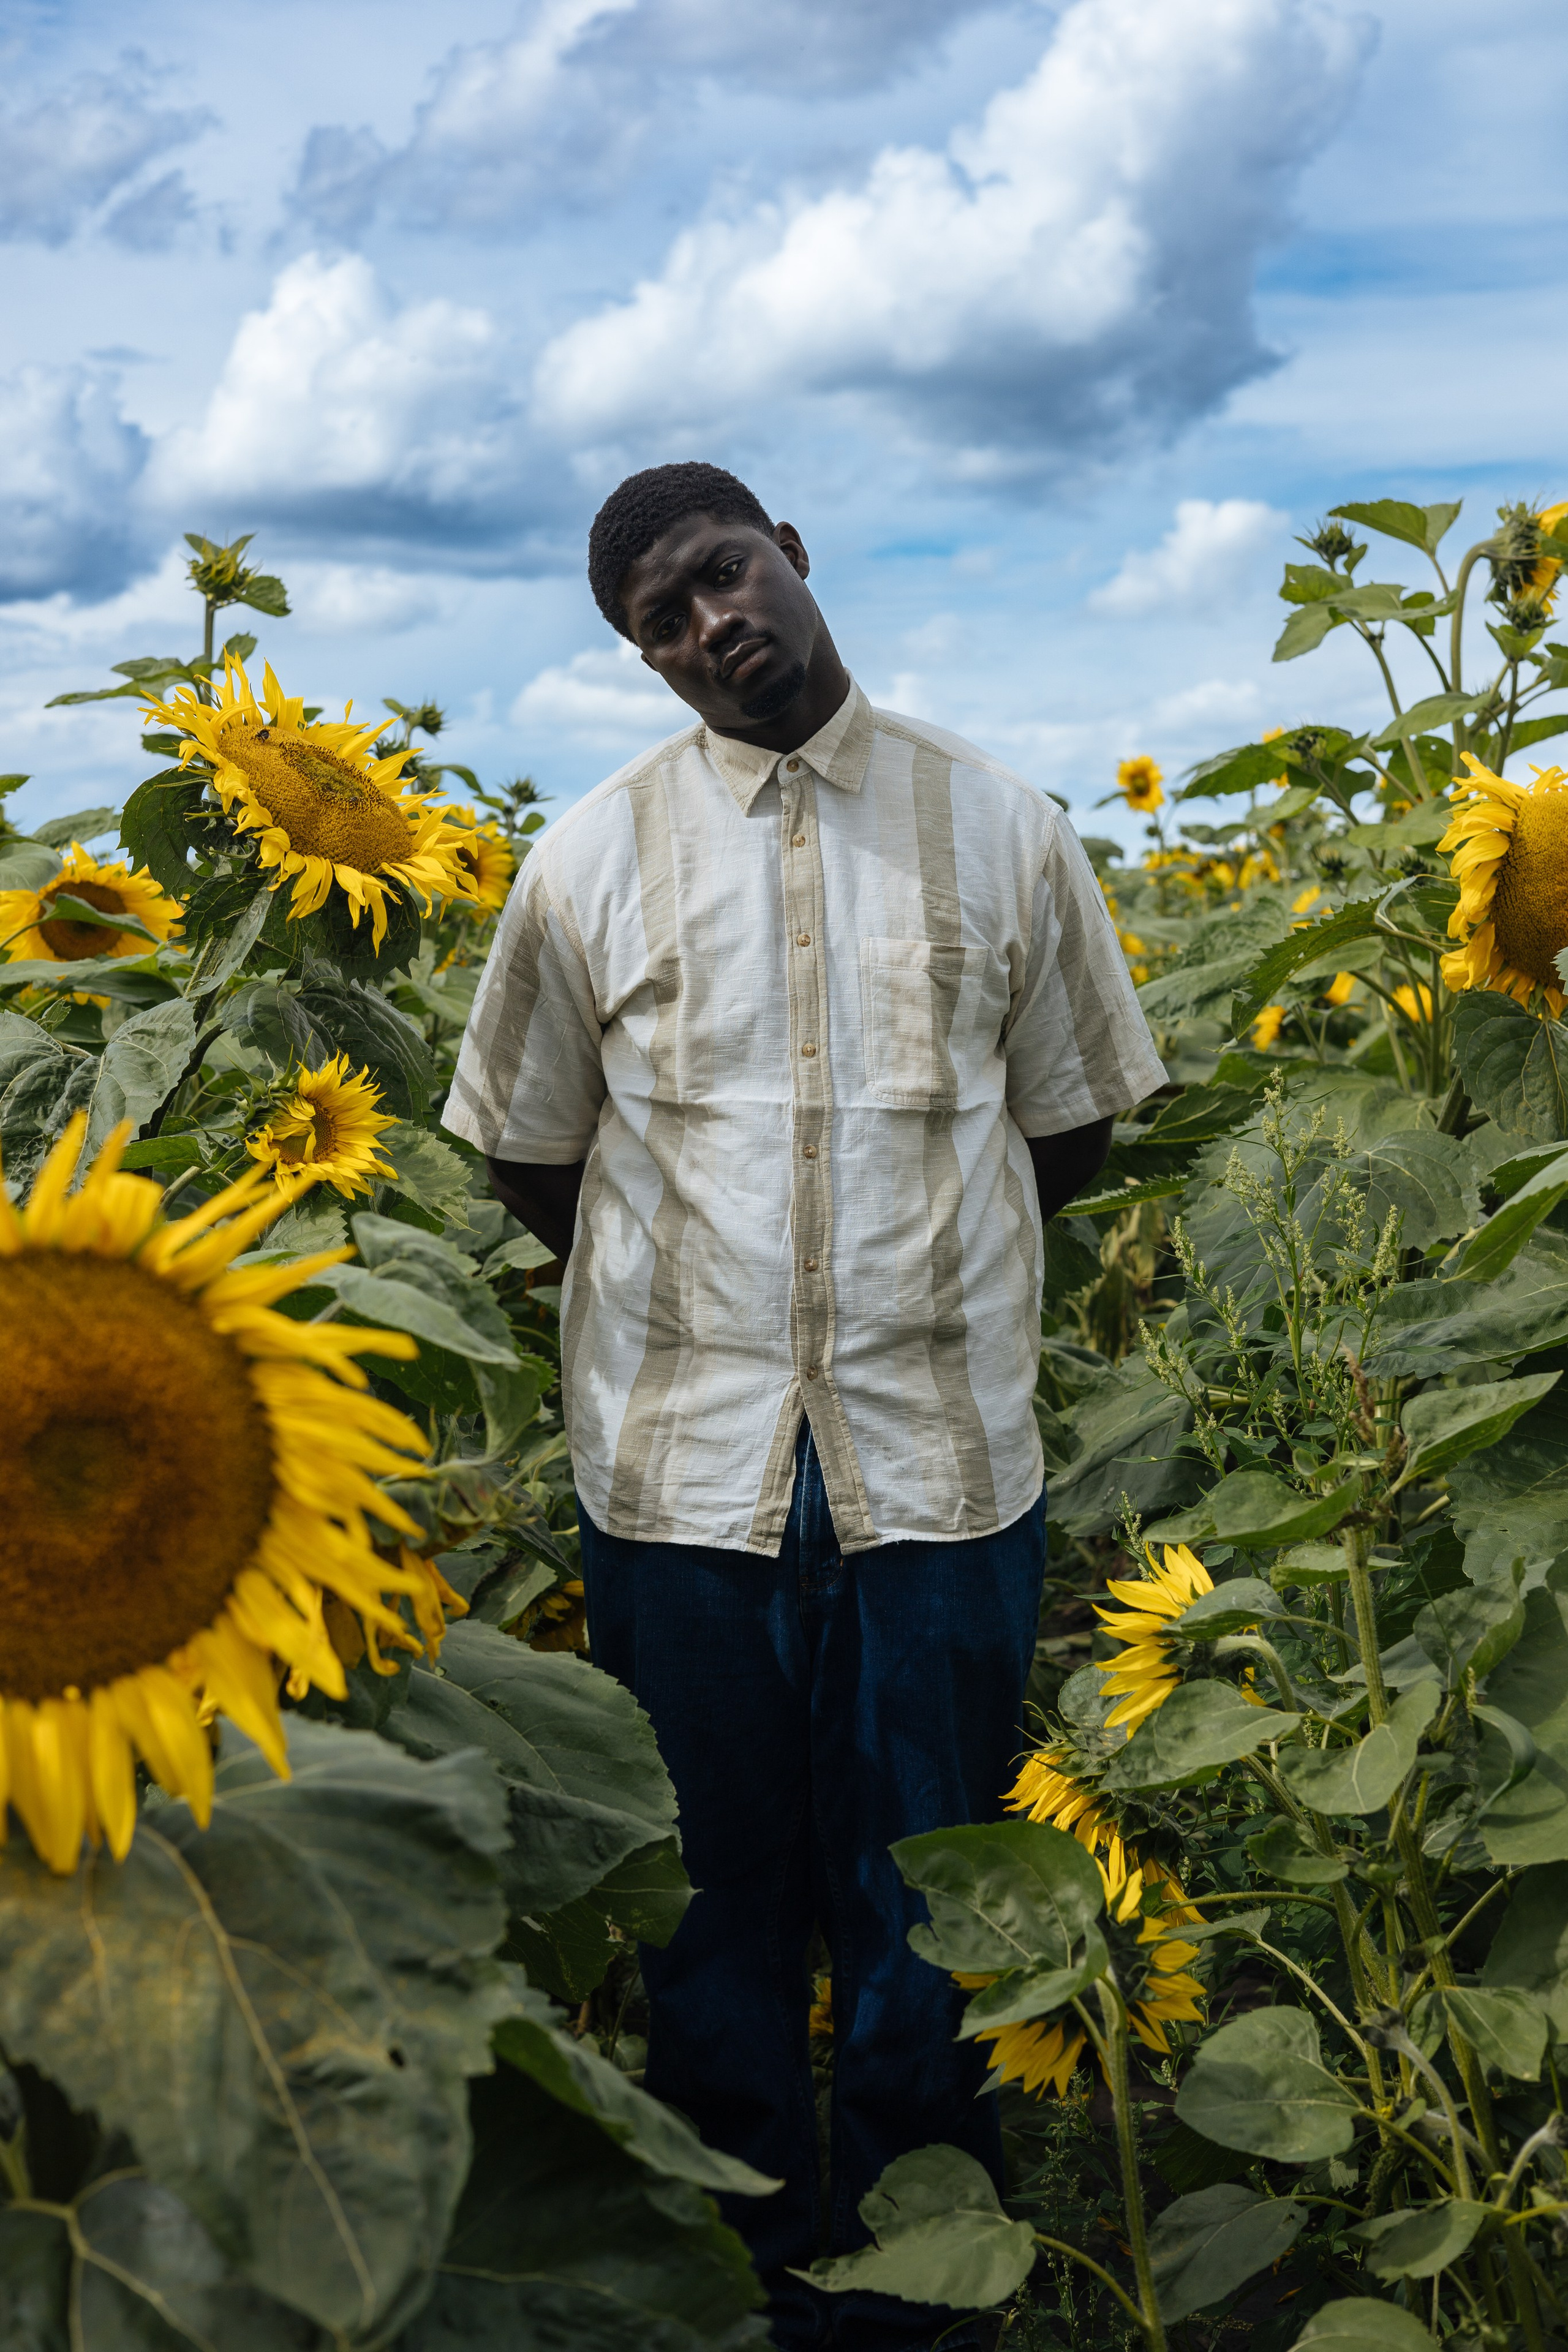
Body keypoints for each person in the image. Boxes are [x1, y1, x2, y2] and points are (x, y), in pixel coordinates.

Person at [444, 461, 1165, 2350]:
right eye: (662, 625)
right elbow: (535, 1154)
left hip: (941, 1462)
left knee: (939, 1891)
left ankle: (924, 2285)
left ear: (793, 550)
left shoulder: (999, 827)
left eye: (723, 576)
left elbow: (1069, 1121)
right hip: (681, 1474)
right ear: (644, 658)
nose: (711, 629)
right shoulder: (589, 859)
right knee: (710, 1907)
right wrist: (696, 1300)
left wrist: (917, 1279)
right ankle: (741, 2267)